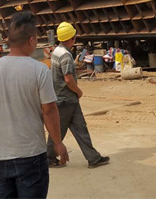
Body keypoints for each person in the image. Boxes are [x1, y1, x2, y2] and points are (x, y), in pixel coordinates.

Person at [0, 11, 68, 199]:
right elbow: (49, 111)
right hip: (30, 154)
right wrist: (58, 143)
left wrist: (1, 112)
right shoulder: (39, 70)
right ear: (32, 40)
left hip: (0, 155)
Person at [46, 22, 110, 169]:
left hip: (66, 99)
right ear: (72, 38)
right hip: (66, 100)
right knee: (59, 130)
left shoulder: (57, 51)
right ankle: (48, 158)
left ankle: (93, 158)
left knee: (80, 129)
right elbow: (68, 79)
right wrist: (78, 91)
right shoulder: (66, 56)